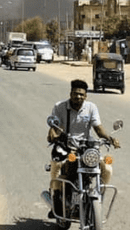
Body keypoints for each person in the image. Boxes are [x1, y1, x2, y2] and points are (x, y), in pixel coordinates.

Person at [47, 79, 120, 214]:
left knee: (107, 168)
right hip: (65, 145)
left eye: (81, 94)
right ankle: (56, 197)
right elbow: (54, 127)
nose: (78, 96)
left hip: (86, 147)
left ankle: (99, 197)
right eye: (75, 93)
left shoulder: (91, 107)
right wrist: (53, 133)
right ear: (70, 93)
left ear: (86, 96)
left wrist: (110, 138)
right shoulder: (60, 107)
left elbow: (98, 129)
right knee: (56, 165)